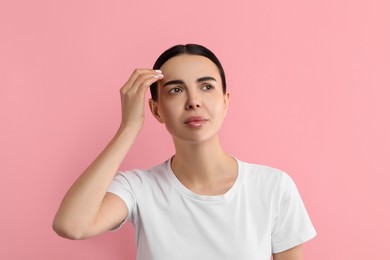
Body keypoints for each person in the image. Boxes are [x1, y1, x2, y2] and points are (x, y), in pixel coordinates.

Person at [53, 44, 316, 260]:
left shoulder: (272, 186)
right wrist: (129, 127)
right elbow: (71, 225)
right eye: (176, 90)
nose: (193, 101)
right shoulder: (138, 188)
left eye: (207, 86)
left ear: (225, 102)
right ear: (156, 109)